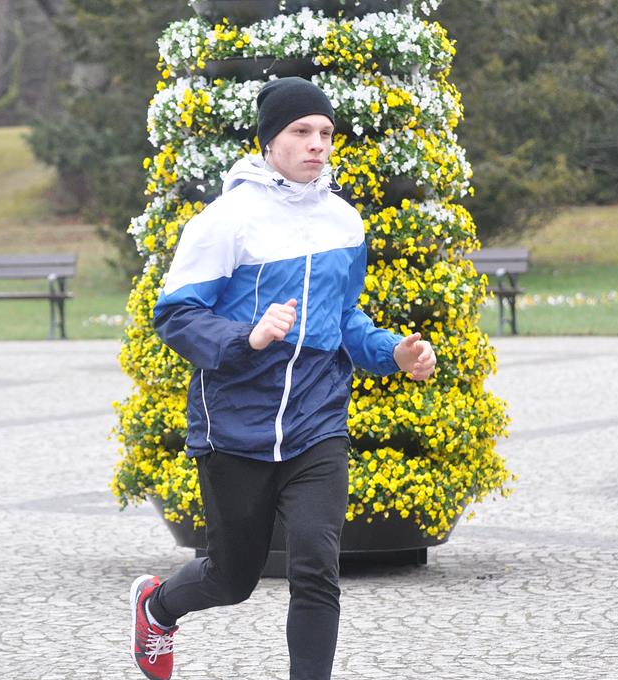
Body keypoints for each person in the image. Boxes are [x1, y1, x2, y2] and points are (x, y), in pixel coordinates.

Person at [129, 76, 437, 680]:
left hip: (316, 423)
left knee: (317, 566)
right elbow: (176, 315)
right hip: (235, 425)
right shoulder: (226, 221)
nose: (317, 143)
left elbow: (343, 318)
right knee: (232, 577)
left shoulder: (344, 222)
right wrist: (248, 336)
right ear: (269, 140)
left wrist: (391, 353)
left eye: (325, 132)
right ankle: (157, 608)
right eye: (301, 131)